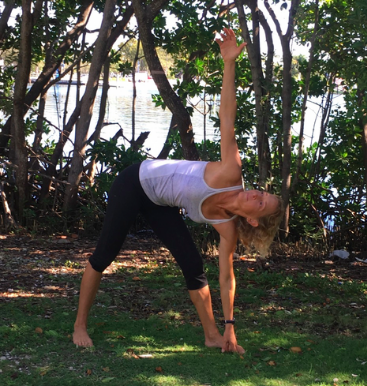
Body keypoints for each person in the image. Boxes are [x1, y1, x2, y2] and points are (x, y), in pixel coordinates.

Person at [73, 28, 284, 354]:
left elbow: (227, 278)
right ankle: (79, 325)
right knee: (105, 254)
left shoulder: (227, 229)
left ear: (253, 220)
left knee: (193, 264)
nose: (256, 194)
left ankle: (213, 335)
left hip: (160, 201)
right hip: (134, 182)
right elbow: (227, 117)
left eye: (261, 203)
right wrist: (230, 64)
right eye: (262, 192)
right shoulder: (231, 171)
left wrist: (232, 327)